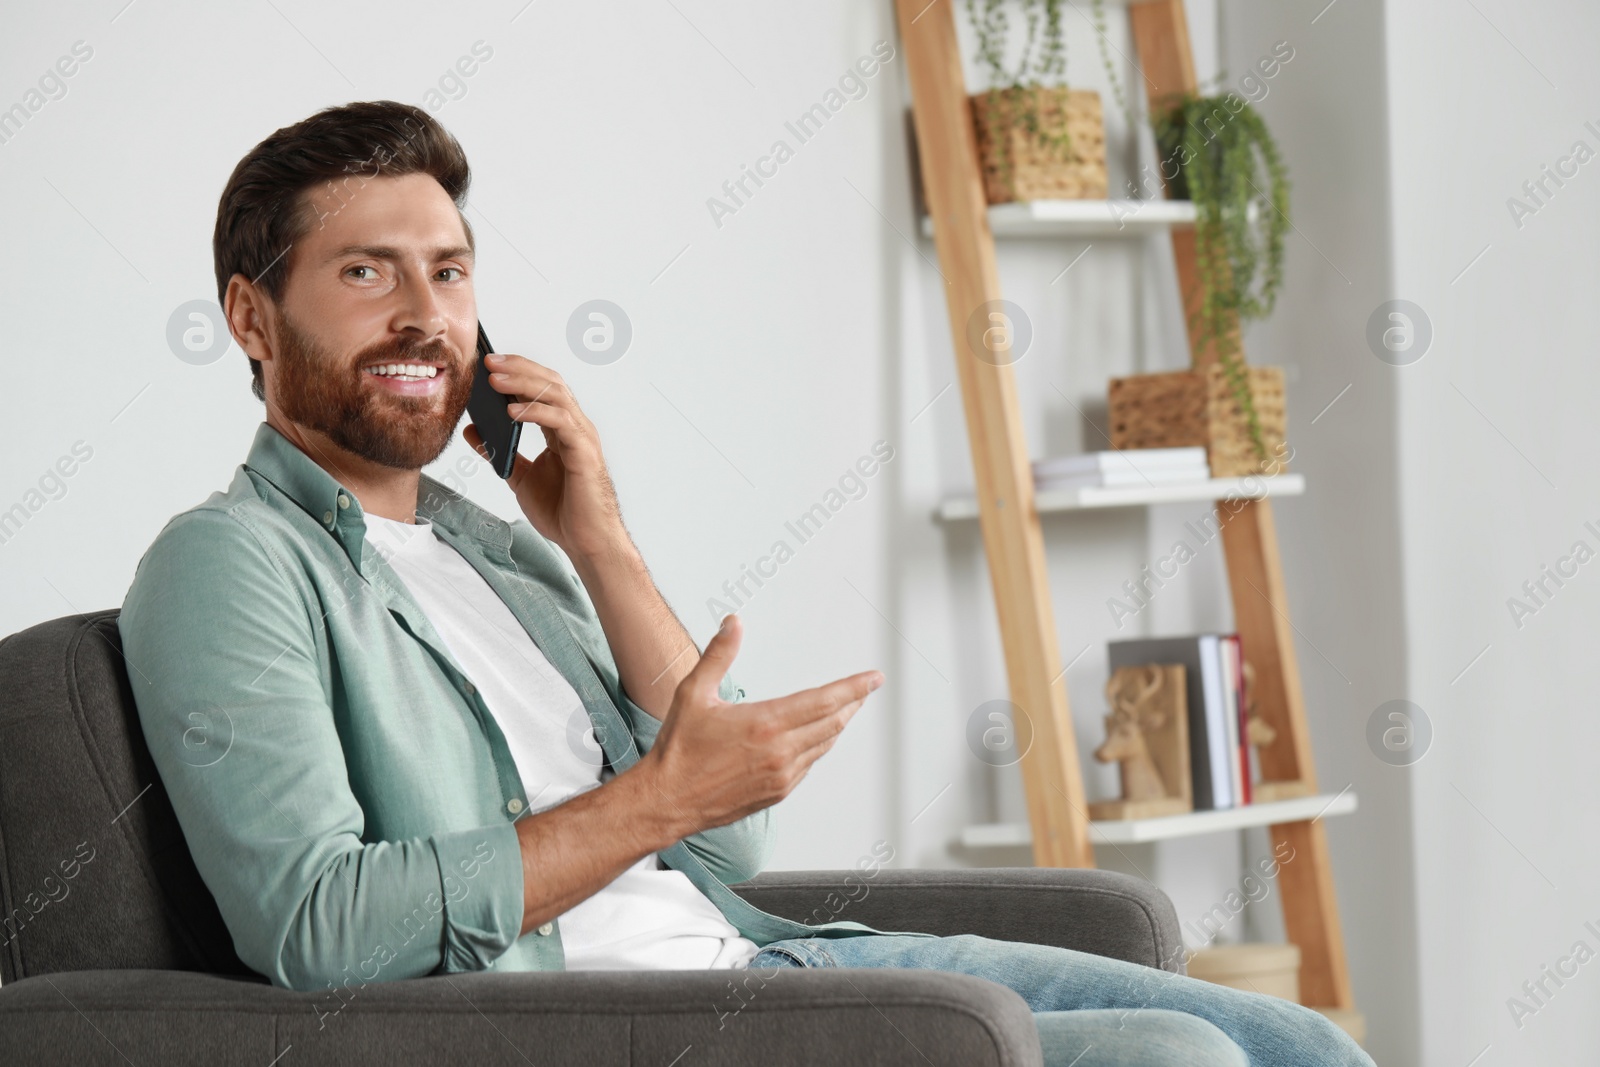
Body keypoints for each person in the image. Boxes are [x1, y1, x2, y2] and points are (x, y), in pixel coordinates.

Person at [118, 100, 1373, 1067]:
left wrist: (596, 539)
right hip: (608, 1019)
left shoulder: (491, 548)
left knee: (1302, 1042)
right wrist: (654, 801)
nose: (424, 314)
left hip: (761, 954)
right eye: (365, 271)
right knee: (1180, 1057)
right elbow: (316, 927)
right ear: (250, 315)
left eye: (447, 272)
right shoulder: (228, 563)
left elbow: (722, 838)